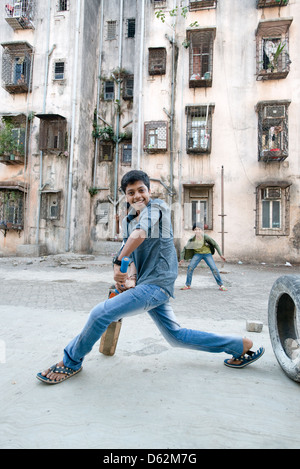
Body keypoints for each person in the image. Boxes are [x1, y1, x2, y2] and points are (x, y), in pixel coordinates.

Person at [37, 170, 264, 384]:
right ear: (125, 196)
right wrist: (130, 278)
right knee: (176, 337)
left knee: (100, 313)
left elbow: (141, 234)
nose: (138, 196)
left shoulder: (157, 208)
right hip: (146, 285)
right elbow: (133, 255)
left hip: (158, 284)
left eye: (141, 190)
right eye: (131, 192)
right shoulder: (127, 221)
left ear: (149, 191)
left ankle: (70, 362)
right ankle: (238, 346)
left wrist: (118, 261)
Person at [179, 223, 227, 291]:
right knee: (190, 267)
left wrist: (221, 254)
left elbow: (215, 244)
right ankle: (187, 285)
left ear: (201, 230)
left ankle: (221, 285)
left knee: (214, 268)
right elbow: (185, 248)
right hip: (197, 254)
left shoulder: (206, 237)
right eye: (195, 229)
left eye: (199, 229)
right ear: (193, 230)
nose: (197, 231)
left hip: (207, 254)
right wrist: (181, 258)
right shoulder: (192, 239)